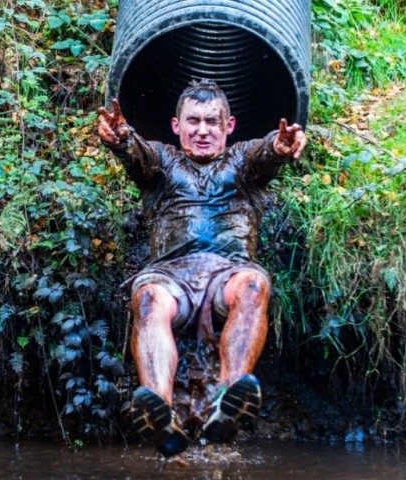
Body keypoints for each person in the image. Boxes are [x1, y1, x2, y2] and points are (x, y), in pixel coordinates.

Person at [96, 79, 306, 457]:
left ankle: (231, 395)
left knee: (254, 286)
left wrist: (280, 147)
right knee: (147, 299)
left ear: (229, 126)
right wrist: (121, 139)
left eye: (213, 121)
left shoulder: (243, 159)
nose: (203, 130)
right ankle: (157, 409)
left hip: (228, 272)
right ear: (177, 126)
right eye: (193, 121)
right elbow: (136, 152)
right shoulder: (161, 161)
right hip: (170, 275)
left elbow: (267, 152)